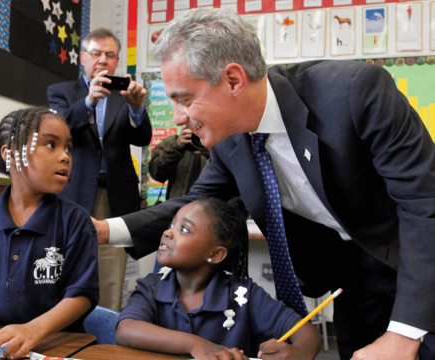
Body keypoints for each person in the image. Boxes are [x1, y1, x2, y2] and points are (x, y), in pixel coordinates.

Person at [93, 8, 435, 360]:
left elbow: (425, 205)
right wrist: (104, 230)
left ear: (234, 80)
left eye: (185, 99)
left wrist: (404, 334)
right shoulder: (230, 143)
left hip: (421, 266)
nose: (179, 117)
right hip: (352, 283)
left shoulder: (353, 92)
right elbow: (196, 203)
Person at [0, 107, 99, 359]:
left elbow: (82, 294)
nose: (65, 156)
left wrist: (34, 330)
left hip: (59, 346)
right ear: (10, 154)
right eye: (50, 144)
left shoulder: (76, 221)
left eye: (68, 148)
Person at [115, 197, 320, 360]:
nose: (168, 232)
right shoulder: (152, 285)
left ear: (215, 254)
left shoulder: (244, 295)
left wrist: (300, 353)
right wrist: (196, 344)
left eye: (184, 229)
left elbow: (307, 333)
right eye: (172, 224)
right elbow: (126, 330)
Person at [47, 28, 152, 311]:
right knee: (65, 262)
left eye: (110, 55)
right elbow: (57, 134)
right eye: (96, 53)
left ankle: (105, 335)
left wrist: (137, 110)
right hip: (73, 192)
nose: (102, 60)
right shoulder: (62, 93)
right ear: (82, 57)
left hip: (116, 196)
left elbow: (143, 139)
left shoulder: (125, 95)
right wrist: (88, 102)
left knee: (111, 273)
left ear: (118, 61)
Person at [149, 125, 209, 200]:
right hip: (177, 206)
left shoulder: (216, 142)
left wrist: (211, 152)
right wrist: (177, 146)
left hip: (210, 206)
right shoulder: (172, 142)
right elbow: (156, 173)